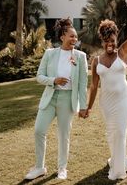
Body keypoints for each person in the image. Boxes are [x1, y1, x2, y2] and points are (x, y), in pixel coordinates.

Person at [84, 8, 127, 180]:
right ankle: (118, 160)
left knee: (121, 132)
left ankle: (118, 171)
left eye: (113, 41)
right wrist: (89, 108)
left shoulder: (122, 52)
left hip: (124, 99)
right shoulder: (96, 61)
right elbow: (94, 86)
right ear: (102, 41)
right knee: (112, 133)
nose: (110, 44)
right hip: (106, 102)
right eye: (107, 41)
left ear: (116, 39)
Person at [25, 18, 88, 180]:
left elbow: (82, 84)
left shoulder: (81, 57)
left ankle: (62, 168)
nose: (75, 39)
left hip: (68, 100)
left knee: (63, 135)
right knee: (39, 130)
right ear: (62, 37)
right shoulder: (50, 54)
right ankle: (39, 167)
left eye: (76, 37)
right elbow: (39, 76)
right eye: (72, 36)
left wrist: (83, 106)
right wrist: (54, 80)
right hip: (50, 97)